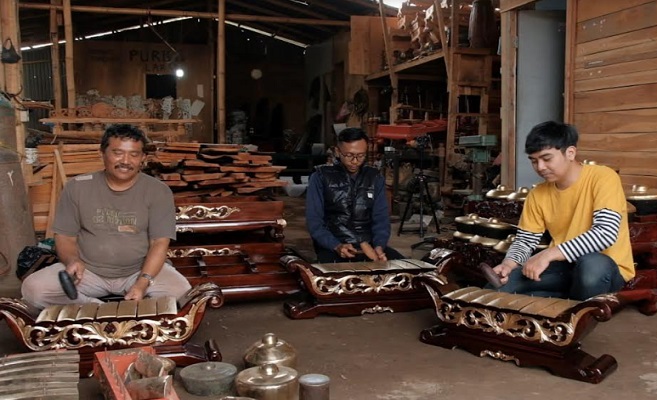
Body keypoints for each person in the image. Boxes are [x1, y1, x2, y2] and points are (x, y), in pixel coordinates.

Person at [21, 124, 191, 309]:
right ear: (102, 153)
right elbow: (65, 237)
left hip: (138, 272)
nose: (126, 161)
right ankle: (99, 308)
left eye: (134, 154)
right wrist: (72, 261)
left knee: (181, 292)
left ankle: (117, 306)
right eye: (117, 153)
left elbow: (159, 242)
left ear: (143, 158)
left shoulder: (158, 191)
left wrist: (142, 283)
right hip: (87, 272)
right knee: (33, 289)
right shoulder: (77, 187)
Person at [490, 121, 634, 300]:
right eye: (534, 161)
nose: (540, 167)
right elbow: (526, 241)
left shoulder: (603, 178)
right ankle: (567, 300)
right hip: (564, 267)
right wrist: (509, 264)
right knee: (497, 288)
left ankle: (570, 311)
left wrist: (548, 254)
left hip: (603, 269)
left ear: (570, 153)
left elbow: (605, 233)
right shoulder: (537, 194)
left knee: (592, 265)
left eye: (547, 158)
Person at [306, 127, 404, 263]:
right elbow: (315, 223)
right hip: (334, 246)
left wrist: (379, 246)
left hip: (369, 246)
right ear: (337, 152)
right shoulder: (320, 177)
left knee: (409, 271)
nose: (355, 161)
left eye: (361, 155)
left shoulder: (374, 177)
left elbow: (381, 219)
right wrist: (336, 245)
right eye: (349, 155)